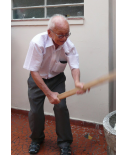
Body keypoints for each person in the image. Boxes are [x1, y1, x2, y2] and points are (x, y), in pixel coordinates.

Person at [23, 14, 87, 155]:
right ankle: (36, 139)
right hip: (37, 78)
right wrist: (49, 93)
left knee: (61, 107)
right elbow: (33, 71)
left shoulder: (68, 45)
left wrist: (77, 82)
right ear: (49, 32)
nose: (64, 38)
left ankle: (64, 143)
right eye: (60, 35)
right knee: (35, 111)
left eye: (67, 34)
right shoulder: (37, 43)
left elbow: (74, 66)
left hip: (57, 79)